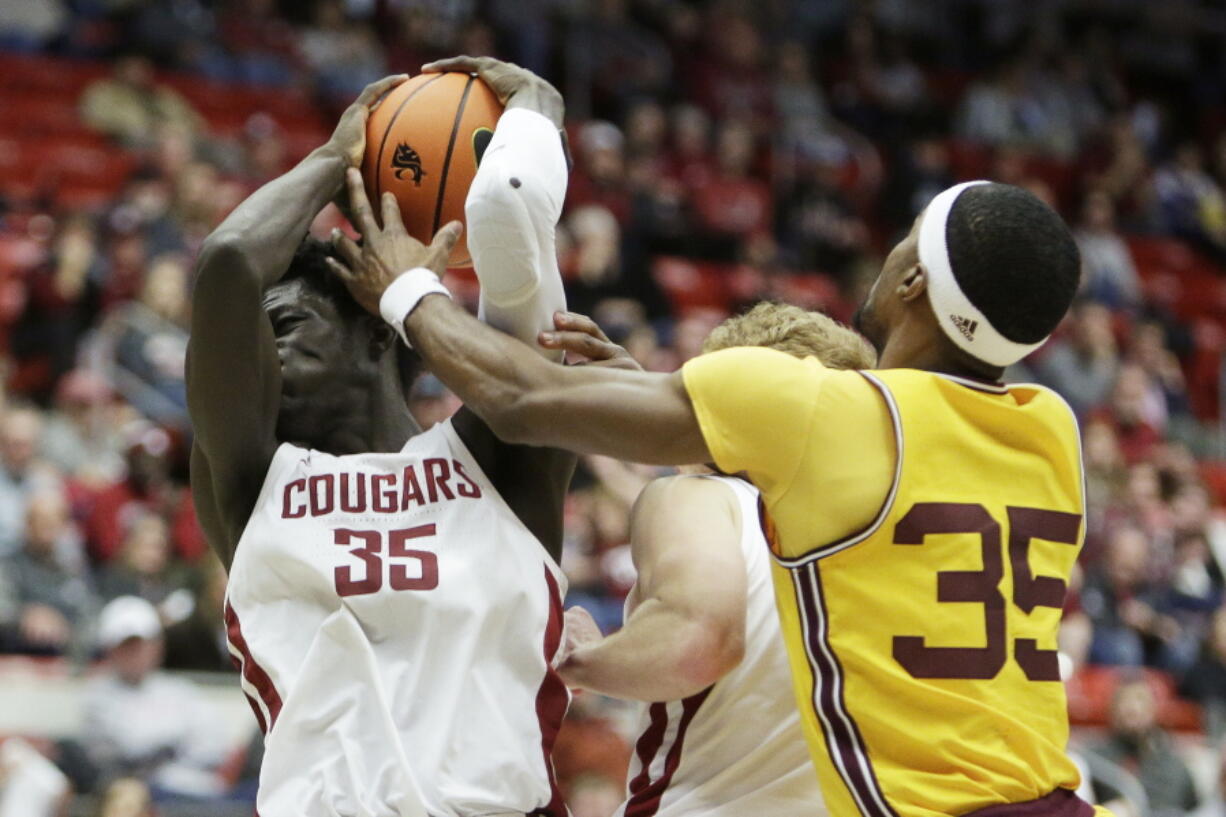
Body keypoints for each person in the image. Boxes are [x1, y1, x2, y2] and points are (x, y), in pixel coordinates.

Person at [332, 175, 1101, 815]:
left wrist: (407, 290)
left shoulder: (817, 414)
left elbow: (518, 398)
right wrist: (667, 405)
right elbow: (861, 470)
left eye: (907, 233)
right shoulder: (1052, 431)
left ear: (911, 278)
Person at [187, 58, 577, 817]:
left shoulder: (501, 460)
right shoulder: (249, 479)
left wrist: (535, 116)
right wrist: (341, 158)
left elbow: (511, 216)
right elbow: (230, 263)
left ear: (375, 333)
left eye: (286, 328)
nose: (257, 358)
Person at [559, 302, 874, 817]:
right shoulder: (884, 537)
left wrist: (580, 662)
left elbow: (695, 642)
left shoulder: (700, 499)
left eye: (702, 390)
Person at [81, 596, 231, 801]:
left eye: (142, 644)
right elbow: (131, 752)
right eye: (127, 645)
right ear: (110, 650)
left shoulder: (180, 691)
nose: (136, 653)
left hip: (193, 786)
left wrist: (168, 752)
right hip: (138, 793)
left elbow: (213, 744)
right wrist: (172, 746)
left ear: (157, 646)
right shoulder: (98, 698)